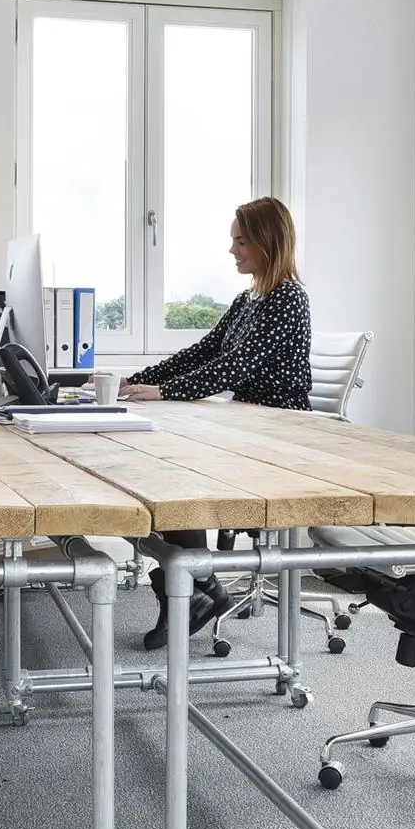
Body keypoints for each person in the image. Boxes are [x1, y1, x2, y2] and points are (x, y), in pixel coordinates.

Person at [120, 196, 313, 648]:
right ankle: (195, 588)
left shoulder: (287, 299)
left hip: (279, 437)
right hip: (247, 426)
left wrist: (163, 392)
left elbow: (236, 366)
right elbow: (204, 353)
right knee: (163, 466)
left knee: (178, 471)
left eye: (241, 241)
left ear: (268, 243)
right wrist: (136, 380)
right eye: (233, 240)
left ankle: (194, 587)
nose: (232, 250)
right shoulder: (248, 299)